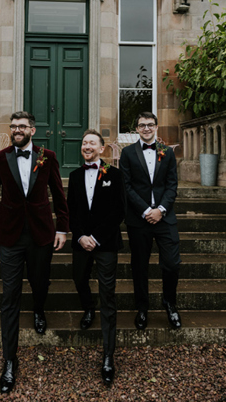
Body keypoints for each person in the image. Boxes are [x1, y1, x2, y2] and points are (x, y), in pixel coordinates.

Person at [0, 111, 69, 394]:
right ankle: (9, 361)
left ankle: (40, 309)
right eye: (13, 126)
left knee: (40, 280)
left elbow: (59, 194)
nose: (17, 130)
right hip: (9, 235)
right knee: (10, 295)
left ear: (32, 129)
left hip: (42, 233)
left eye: (22, 126)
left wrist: (62, 229)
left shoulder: (48, 156)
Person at [67, 129, 125, 386]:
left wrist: (97, 238)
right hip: (81, 242)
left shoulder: (115, 175)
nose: (87, 146)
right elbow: (71, 211)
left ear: (102, 149)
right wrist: (80, 236)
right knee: (79, 279)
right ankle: (88, 308)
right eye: (84, 143)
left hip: (106, 243)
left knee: (108, 294)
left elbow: (118, 212)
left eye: (92, 143)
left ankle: (108, 355)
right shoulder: (75, 175)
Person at [119, 111, 181, 331]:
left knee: (172, 264)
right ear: (136, 129)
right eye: (142, 125)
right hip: (139, 219)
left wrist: (161, 210)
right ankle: (142, 308)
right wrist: (146, 210)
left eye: (150, 124)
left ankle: (170, 304)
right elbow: (126, 187)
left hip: (165, 218)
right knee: (139, 266)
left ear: (156, 127)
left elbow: (172, 184)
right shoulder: (127, 153)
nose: (146, 128)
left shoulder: (167, 152)